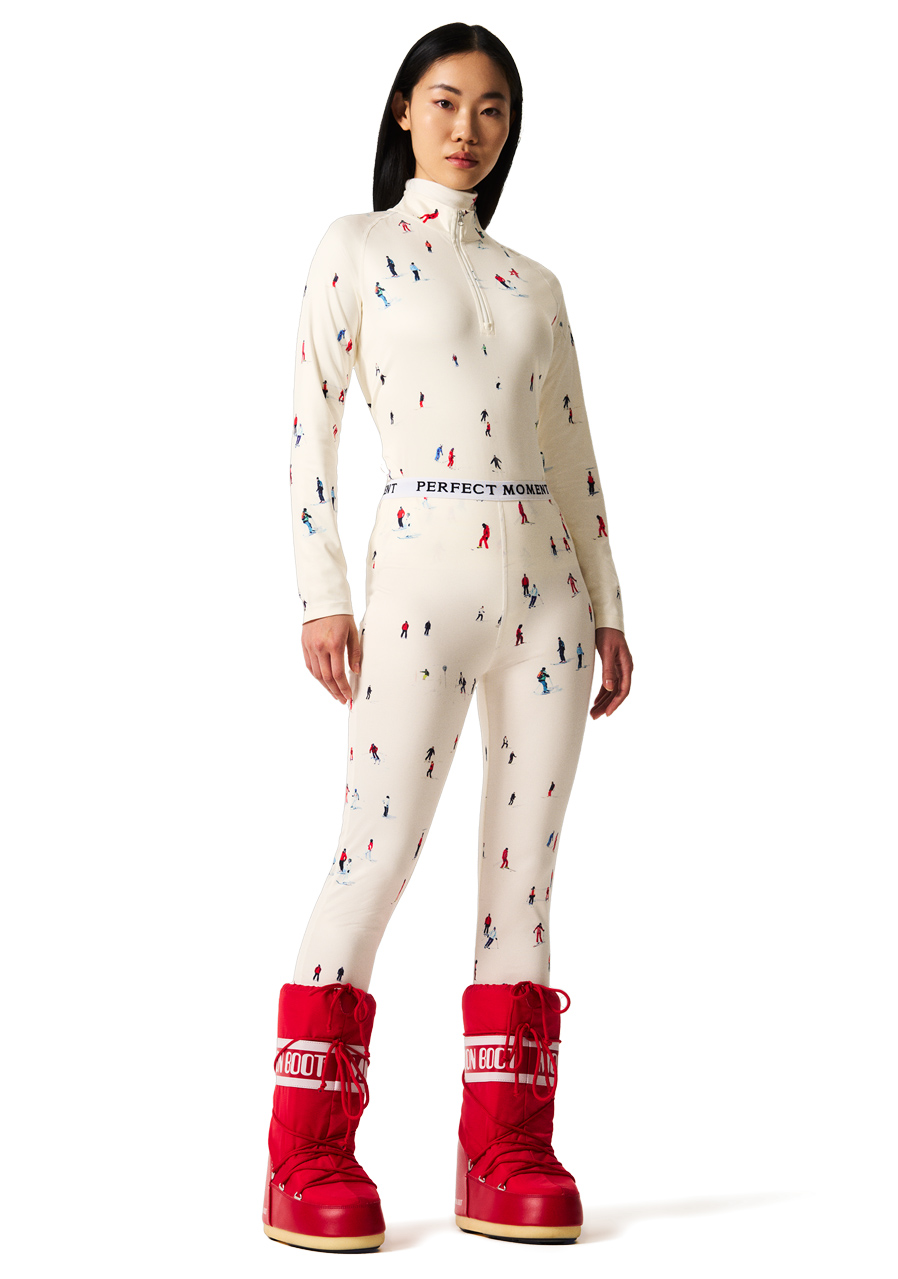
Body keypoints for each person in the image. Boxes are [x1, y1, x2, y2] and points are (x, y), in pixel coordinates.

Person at [263, 21, 634, 1255]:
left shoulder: (536, 283)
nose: (467, 127)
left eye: (490, 108)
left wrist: (609, 604)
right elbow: (308, 422)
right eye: (444, 101)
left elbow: (573, 450)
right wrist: (320, 590)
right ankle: (305, 1154)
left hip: (548, 599)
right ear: (403, 112)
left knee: (523, 877)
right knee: (373, 855)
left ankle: (504, 1150)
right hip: (416, 582)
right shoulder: (354, 248)